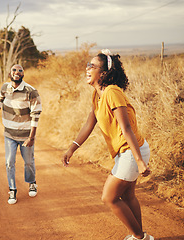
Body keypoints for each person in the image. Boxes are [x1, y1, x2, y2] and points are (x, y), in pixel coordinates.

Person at [62, 49, 154, 240]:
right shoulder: (97, 95)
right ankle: (140, 236)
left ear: (103, 73)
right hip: (126, 152)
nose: (87, 68)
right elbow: (89, 124)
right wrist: (72, 148)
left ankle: (139, 236)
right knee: (128, 197)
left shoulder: (112, 92)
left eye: (92, 66)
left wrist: (140, 162)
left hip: (131, 151)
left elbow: (126, 127)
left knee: (109, 198)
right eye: (88, 65)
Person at [0, 64, 42, 205]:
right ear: (10, 72)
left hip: (26, 135)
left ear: (23, 74)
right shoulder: (4, 87)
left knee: (28, 161)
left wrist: (31, 137)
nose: (17, 72)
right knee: (9, 162)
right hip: (9, 133)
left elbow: (36, 114)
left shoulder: (31, 91)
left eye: (20, 70)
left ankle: (32, 182)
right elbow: (0, 100)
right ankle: (12, 190)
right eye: (14, 70)